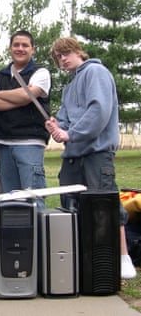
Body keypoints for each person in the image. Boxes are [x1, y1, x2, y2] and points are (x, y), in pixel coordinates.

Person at [46, 36, 137, 279]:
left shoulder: (95, 71)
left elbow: (99, 111)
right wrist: (56, 127)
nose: (62, 59)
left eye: (65, 53)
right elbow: (65, 122)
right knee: (71, 207)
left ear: (78, 51)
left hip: (97, 154)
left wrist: (70, 132)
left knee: (104, 206)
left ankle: (122, 257)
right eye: (57, 57)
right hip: (73, 157)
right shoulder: (68, 87)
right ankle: (84, 258)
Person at [0, 30, 51, 208]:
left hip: (30, 142)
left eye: (25, 45)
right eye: (16, 45)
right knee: (10, 200)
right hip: (3, 142)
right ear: (10, 48)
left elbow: (27, 95)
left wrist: (0, 94)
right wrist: (21, 98)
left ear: (33, 49)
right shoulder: (0, 75)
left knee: (34, 197)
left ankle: (39, 235)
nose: (20, 48)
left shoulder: (41, 73)